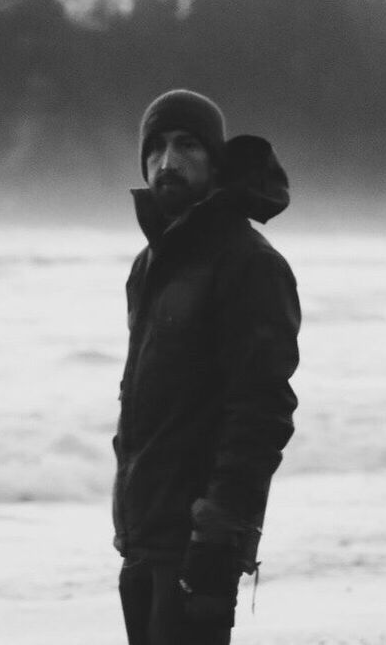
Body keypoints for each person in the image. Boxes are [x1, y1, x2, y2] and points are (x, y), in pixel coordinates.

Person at [113, 89, 301, 645]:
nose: (167, 163)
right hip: (143, 540)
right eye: (156, 148)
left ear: (214, 159)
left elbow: (262, 411)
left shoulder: (249, 264)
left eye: (186, 146)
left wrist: (219, 539)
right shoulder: (150, 265)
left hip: (196, 547)